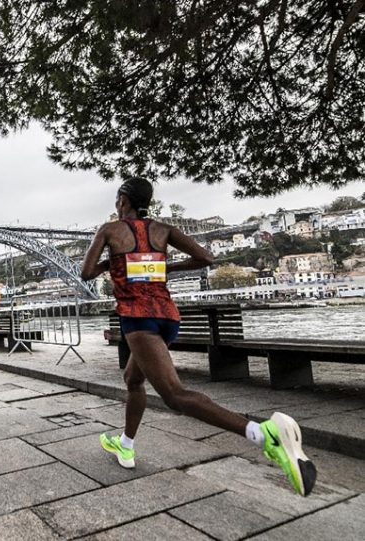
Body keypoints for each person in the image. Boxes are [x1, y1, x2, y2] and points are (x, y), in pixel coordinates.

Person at [80, 177, 315, 497]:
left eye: (118, 200)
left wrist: (115, 262)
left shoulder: (110, 230)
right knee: (133, 379)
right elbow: (206, 257)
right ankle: (125, 444)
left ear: (123, 200)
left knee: (175, 396)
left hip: (139, 319)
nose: (116, 205)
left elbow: (86, 273)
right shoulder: (163, 230)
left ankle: (264, 433)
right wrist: (163, 266)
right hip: (167, 317)